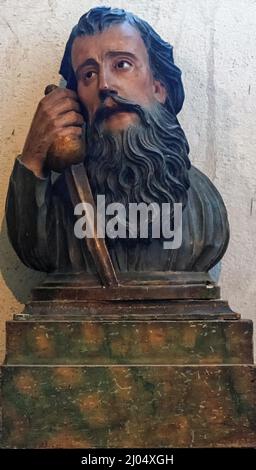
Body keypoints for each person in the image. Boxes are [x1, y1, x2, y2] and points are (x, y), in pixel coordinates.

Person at [5, 6, 229, 275]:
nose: (105, 85)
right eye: (88, 74)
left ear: (159, 88)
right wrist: (35, 153)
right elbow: (34, 247)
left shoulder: (205, 209)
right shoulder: (60, 212)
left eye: (122, 64)